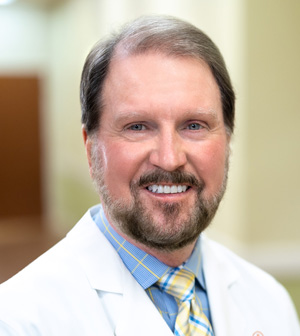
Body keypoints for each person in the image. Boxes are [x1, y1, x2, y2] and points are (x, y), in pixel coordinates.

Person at [0, 15, 299, 336]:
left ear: (227, 140)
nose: (169, 159)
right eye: (138, 127)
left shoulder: (269, 301)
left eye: (194, 125)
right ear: (91, 150)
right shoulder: (20, 320)